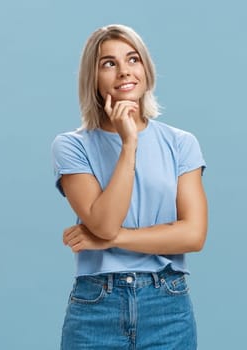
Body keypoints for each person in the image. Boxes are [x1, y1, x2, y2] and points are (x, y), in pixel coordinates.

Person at [51, 24, 208, 349]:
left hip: (167, 303)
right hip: (97, 305)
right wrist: (129, 144)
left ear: (146, 70)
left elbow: (193, 236)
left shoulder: (181, 143)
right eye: (109, 63)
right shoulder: (71, 146)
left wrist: (113, 239)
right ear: (93, 77)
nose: (124, 71)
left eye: (132, 59)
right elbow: (103, 222)